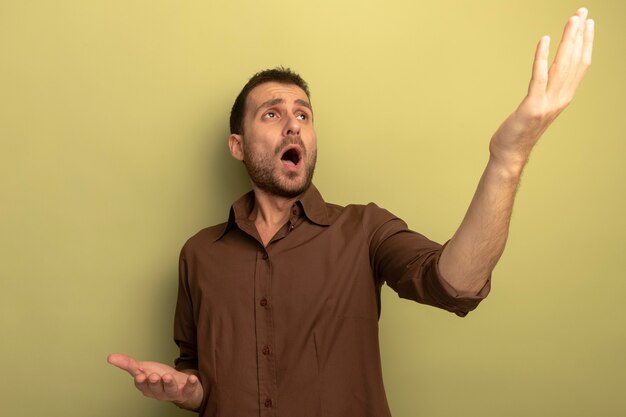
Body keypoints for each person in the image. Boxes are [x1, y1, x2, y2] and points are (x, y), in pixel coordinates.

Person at [108, 8, 594, 416]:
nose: (293, 126)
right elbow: (194, 368)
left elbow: (457, 283)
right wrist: (188, 390)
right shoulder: (199, 253)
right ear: (238, 145)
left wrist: (507, 159)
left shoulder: (364, 229)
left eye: (303, 114)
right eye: (272, 114)